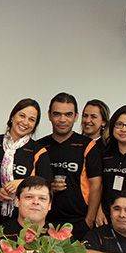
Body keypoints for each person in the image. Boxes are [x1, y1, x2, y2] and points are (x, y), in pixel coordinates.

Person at [38, 92, 102, 240]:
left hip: (79, 221)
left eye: (68, 114)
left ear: (76, 116)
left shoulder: (88, 145)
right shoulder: (39, 146)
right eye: (57, 114)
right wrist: (49, 186)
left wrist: (89, 221)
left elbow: (96, 186)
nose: (62, 119)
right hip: (44, 220)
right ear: (49, 115)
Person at [0, 98, 52, 224]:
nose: (25, 122)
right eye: (22, 116)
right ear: (12, 117)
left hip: (24, 220)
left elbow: (47, 184)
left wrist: (23, 183)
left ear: (35, 125)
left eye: (31, 119)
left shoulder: (38, 150)